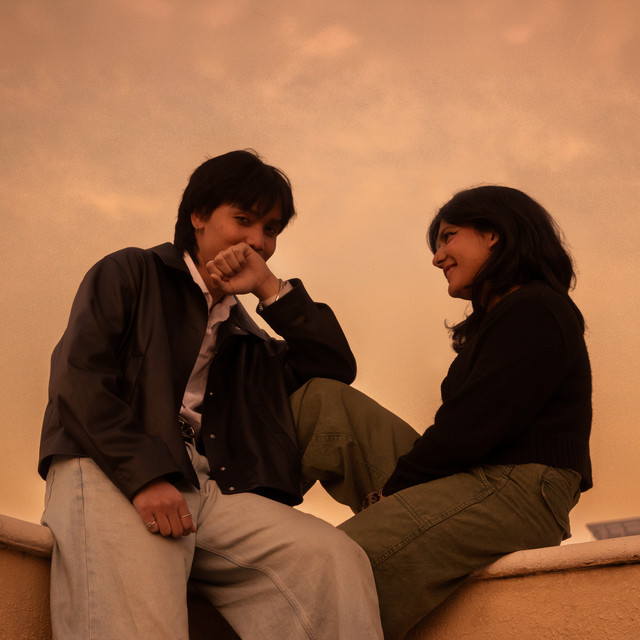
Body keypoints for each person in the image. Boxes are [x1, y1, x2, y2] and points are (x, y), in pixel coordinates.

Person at [38, 149, 384, 640]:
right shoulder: (131, 271)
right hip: (110, 464)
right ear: (198, 216)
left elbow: (333, 367)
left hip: (211, 487)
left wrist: (269, 288)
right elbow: (78, 379)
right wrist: (144, 475)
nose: (258, 240)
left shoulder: (249, 338)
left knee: (333, 559)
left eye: (271, 229)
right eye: (243, 220)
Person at [291, 185, 592, 639]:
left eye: (449, 237)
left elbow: (472, 425)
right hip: (468, 473)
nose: (437, 257)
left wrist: (394, 491)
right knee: (322, 400)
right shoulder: (501, 319)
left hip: (518, 485)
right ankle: (239, 516)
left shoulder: (537, 307)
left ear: (494, 234)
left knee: (330, 566)